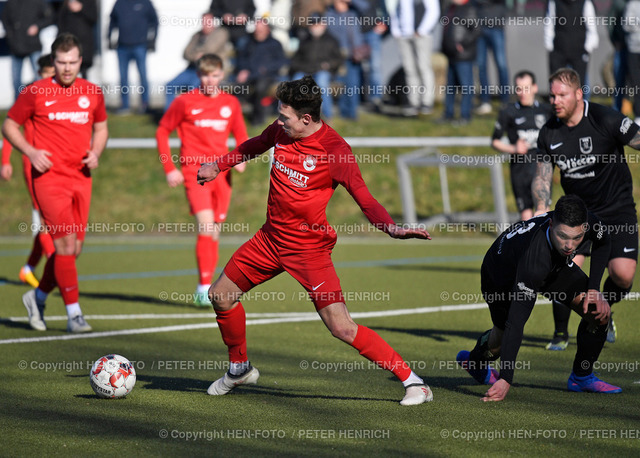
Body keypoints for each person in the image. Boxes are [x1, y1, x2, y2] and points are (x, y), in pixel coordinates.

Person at [196, 75, 434, 405]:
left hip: (308, 250)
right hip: (269, 240)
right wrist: (219, 165)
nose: (279, 122)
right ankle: (239, 368)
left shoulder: (335, 151)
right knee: (220, 296)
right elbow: (255, 144)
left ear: (306, 119)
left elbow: (364, 198)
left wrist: (390, 227)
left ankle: (414, 382)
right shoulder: (281, 131)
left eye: (285, 116)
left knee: (341, 327)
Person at [457, 195, 620, 401]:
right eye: (562, 236)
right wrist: (506, 378)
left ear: (585, 227)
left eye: (576, 238)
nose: (570, 246)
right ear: (551, 224)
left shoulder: (588, 225)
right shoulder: (533, 261)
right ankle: (475, 360)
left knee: (598, 312)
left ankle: (581, 376)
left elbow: (604, 242)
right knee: (500, 338)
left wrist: (594, 289)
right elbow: (515, 323)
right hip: (500, 276)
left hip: (553, 266)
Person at [2, 33, 109, 333]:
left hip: (81, 178)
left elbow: (100, 128)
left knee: (72, 251)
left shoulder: (93, 92)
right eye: (61, 62)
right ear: (54, 61)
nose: (67, 67)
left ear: (80, 60)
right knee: (64, 243)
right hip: (48, 179)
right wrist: (30, 151)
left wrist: (96, 152)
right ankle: (74, 314)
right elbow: (9, 124)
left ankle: (36, 297)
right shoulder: (35, 91)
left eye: (72, 61)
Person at [532, 68, 640, 350]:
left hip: (618, 210)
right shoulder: (549, 133)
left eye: (562, 95)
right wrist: (539, 211)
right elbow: (542, 178)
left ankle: (606, 307)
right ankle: (560, 333)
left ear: (579, 94)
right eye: (552, 95)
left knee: (623, 274)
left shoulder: (605, 118)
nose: (555, 101)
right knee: (566, 273)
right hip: (578, 216)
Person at [156, 54, 248, 306]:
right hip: (194, 172)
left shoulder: (230, 103)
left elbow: (240, 133)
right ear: (199, 76)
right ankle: (203, 288)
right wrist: (169, 168)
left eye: (215, 75)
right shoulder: (185, 101)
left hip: (223, 172)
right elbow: (163, 130)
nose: (210, 80)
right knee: (206, 226)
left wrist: (241, 157)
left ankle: (206, 284)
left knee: (215, 232)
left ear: (222, 75)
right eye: (206, 75)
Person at [1, 54, 56, 289]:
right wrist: (6, 161)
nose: (52, 77)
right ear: (40, 73)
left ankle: (29, 268)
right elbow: (11, 126)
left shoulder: (66, 95)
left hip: (60, 167)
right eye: (48, 73)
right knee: (46, 222)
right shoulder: (32, 94)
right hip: (34, 166)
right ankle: (57, 266)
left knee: (56, 223)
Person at [491, 71, 552, 221]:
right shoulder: (509, 112)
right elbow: (495, 141)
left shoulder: (546, 111)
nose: (522, 93)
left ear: (535, 88)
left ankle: (545, 244)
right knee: (526, 218)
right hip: (520, 171)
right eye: (518, 88)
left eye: (526, 88)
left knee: (543, 214)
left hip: (541, 169)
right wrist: (514, 149)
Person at [164, 12, 231, 112]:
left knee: (193, 89)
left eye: (208, 22)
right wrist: (197, 55)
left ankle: (191, 116)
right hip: (191, 70)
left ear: (213, 22)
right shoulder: (196, 35)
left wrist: (197, 54)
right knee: (169, 86)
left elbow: (209, 51)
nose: (205, 24)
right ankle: (170, 117)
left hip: (208, 71)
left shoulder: (221, 33)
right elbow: (185, 53)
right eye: (203, 22)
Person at [387, 0, 440, 116]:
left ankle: (426, 102)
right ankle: (413, 102)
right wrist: (396, 30)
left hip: (422, 35)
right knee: (409, 70)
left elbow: (433, 12)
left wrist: (422, 30)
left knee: (423, 67)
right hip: (404, 36)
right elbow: (396, 11)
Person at [290, 12, 344, 120]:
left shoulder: (332, 40)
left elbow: (338, 59)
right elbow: (295, 60)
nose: (315, 27)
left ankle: (327, 116)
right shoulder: (305, 41)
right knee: (296, 82)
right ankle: (296, 116)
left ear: (323, 24)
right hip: (306, 71)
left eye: (317, 24)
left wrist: (328, 65)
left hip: (323, 72)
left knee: (322, 84)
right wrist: (302, 67)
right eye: (312, 25)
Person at [234, 18, 288, 125]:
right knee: (236, 88)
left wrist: (266, 68)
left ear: (267, 30)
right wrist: (243, 70)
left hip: (268, 76)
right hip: (250, 75)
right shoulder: (248, 43)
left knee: (260, 88)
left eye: (261, 30)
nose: (259, 33)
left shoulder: (275, 44)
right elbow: (241, 59)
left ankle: (258, 119)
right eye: (257, 30)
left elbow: (282, 61)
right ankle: (235, 119)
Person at [108, 0, 159, 114]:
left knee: (142, 76)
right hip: (122, 46)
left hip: (140, 45)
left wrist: (153, 39)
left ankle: (145, 105)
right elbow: (112, 21)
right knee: (123, 78)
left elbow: (155, 21)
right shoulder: (120, 3)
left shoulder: (145, 3)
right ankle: (125, 106)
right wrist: (109, 37)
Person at [1, 0, 54, 100]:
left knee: (39, 76)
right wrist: (11, 35)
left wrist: (37, 26)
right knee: (16, 80)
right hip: (16, 46)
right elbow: (5, 19)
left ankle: (40, 101)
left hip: (33, 44)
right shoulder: (11, 3)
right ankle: (18, 105)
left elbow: (49, 17)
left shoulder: (37, 2)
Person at [544, 0, 598, 97]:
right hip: (558, 51)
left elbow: (592, 29)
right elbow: (549, 24)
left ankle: (583, 109)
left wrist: (587, 49)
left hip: (579, 52)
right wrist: (550, 48)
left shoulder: (585, 3)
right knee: (556, 84)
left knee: (580, 84)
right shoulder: (554, 3)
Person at [440, 0, 482, 125]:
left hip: (463, 56)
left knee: (466, 87)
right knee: (450, 87)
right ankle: (448, 114)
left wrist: (463, 44)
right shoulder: (451, 7)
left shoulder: (469, 9)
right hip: (451, 54)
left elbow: (476, 30)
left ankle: (465, 115)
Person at [326, 0, 367, 120]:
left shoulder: (354, 13)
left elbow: (367, 8)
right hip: (339, 56)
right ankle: (344, 113)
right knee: (342, 85)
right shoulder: (329, 15)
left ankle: (352, 113)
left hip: (354, 55)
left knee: (353, 84)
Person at [474, 0, 509, 115]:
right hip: (479, 26)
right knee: (481, 66)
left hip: (496, 25)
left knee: (501, 65)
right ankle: (485, 102)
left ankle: (505, 101)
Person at [57, 0, 98, 79]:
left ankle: (83, 89)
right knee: (69, 70)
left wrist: (81, 8)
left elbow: (94, 18)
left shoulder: (90, 2)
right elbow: (61, 22)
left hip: (84, 43)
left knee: (83, 70)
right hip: (69, 43)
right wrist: (60, 40)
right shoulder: (67, 3)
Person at [623, 0, 640, 124]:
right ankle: (639, 115)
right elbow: (627, 24)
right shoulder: (632, 4)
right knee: (636, 83)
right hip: (634, 49)